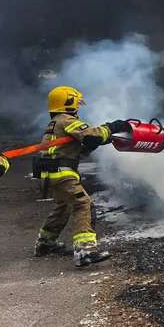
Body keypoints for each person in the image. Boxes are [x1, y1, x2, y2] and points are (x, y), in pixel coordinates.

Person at [34, 85, 130, 267]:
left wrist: (91, 144)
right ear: (69, 103)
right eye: (76, 103)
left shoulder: (54, 124)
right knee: (83, 204)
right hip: (62, 173)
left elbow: (76, 147)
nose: (78, 107)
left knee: (64, 205)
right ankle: (85, 251)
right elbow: (91, 135)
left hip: (49, 173)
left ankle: (46, 242)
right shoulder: (67, 120)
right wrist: (112, 127)